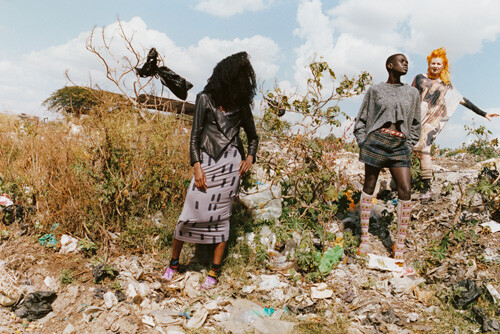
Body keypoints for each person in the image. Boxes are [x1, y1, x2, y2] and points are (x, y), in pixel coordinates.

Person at [162, 52, 259, 289]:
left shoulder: (242, 106)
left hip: (230, 167)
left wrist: (249, 157)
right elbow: (195, 136)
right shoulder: (205, 99)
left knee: (221, 219)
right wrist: (196, 166)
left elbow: (253, 137)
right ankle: (174, 263)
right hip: (205, 162)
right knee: (188, 214)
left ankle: (214, 272)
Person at [353, 54, 421, 263]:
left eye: (407, 61)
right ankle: (364, 238)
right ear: (390, 66)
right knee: (369, 185)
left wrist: (409, 145)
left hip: (400, 144)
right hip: (376, 141)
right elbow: (361, 119)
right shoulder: (375, 90)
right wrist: (363, 141)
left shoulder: (412, 92)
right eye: (401, 61)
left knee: (405, 189)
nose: (406, 64)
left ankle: (398, 244)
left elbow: (416, 123)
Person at [412, 47, 499, 198]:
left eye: (439, 64)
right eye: (433, 63)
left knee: (425, 150)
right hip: (413, 118)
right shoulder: (420, 77)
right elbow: (408, 94)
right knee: (407, 150)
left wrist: (483, 113)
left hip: (430, 122)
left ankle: (426, 188)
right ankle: (404, 183)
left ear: (443, 65)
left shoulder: (446, 84)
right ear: (429, 63)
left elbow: (461, 100)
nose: (435, 66)